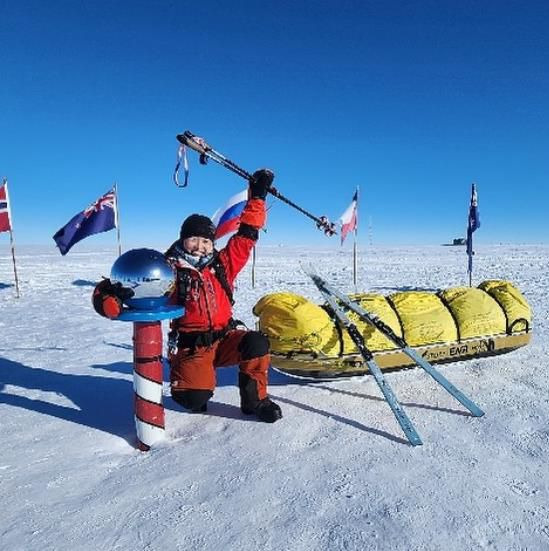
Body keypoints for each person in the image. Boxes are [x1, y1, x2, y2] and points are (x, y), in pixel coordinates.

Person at [93, 169, 282, 423]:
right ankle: (192, 380)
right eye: (194, 239)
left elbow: (247, 235)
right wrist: (107, 297)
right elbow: (129, 281)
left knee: (257, 343)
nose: (201, 246)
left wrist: (257, 197)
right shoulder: (167, 268)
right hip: (192, 345)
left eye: (206, 241)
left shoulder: (223, 264)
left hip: (226, 337)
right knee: (194, 399)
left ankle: (255, 402)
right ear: (183, 240)